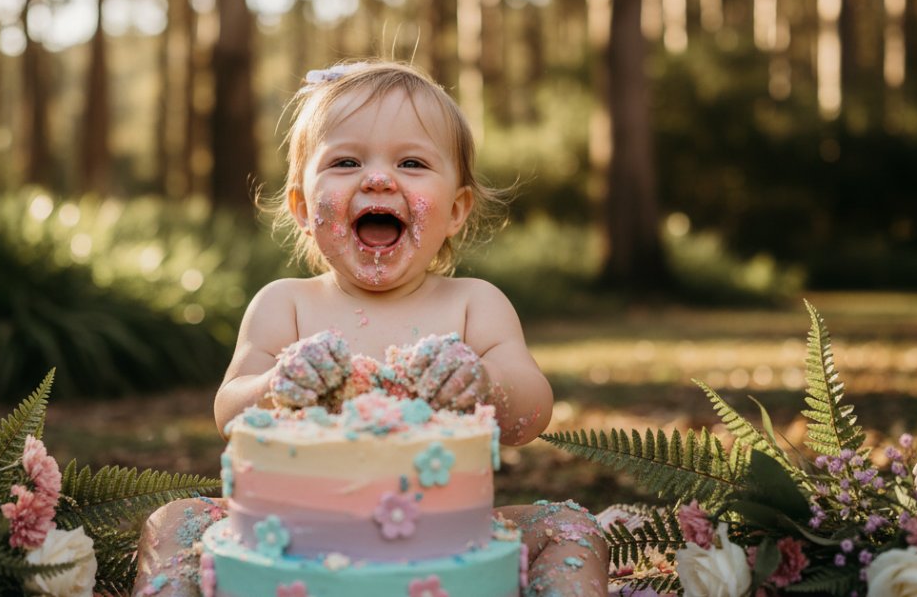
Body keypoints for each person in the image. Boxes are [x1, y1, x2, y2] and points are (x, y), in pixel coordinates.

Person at [135, 61, 608, 596]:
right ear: (301, 206)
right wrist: (275, 387)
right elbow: (229, 412)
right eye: (346, 161)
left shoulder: (475, 304)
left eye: (410, 162)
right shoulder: (285, 304)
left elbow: (530, 414)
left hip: (441, 541)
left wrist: (480, 383)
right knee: (172, 520)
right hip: (290, 538)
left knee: (571, 527)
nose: (378, 178)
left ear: (456, 210)